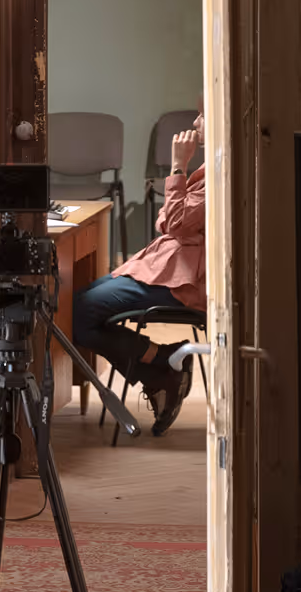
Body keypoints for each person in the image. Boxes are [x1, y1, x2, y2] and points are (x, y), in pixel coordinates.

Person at [72, 109, 206, 437]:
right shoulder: (213, 167)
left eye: (203, 115)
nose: (195, 122)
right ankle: (162, 364)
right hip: (167, 267)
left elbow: (173, 221)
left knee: (77, 313)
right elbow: (170, 222)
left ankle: (162, 367)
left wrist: (178, 165)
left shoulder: (222, 170)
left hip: (184, 280)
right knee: (77, 303)